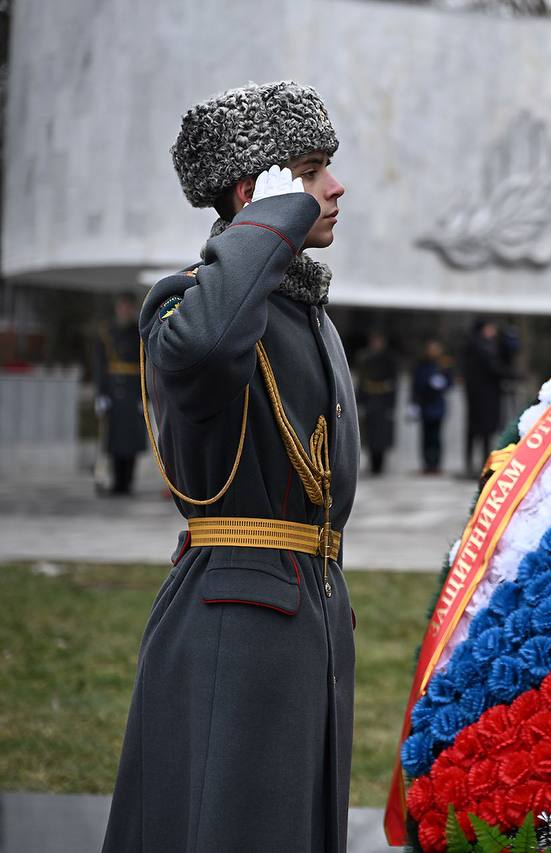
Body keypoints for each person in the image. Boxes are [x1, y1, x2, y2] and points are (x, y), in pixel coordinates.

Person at [103, 81, 358, 853]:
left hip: (304, 610)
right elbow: (207, 349)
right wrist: (265, 226)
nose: (335, 186)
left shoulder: (301, 309)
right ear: (257, 196)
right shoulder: (189, 305)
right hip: (236, 624)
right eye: (310, 172)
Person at [93, 294, 147, 495]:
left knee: (131, 440)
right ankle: (117, 482)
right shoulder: (106, 332)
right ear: (117, 308)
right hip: (113, 391)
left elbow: (146, 364)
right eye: (122, 306)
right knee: (114, 440)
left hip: (133, 391)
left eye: (128, 307)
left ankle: (128, 482)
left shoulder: (139, 332)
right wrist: (101, 393)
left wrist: (145, 395)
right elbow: (100, 365)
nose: (125, 310)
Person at [462, 319, 506, 475]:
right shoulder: (482, 347)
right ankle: (483, 464)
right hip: (484, 396)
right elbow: (494, 368)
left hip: (477, 395)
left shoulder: (474, 345)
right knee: (484, 430)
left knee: (475, 431)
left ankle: (472, 463)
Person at [358, 331, 398, 475]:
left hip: (383, 401)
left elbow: (393, 384)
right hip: (370, 400)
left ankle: (380, 464)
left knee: (381, 436)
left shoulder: (389, 360)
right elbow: (361, 382)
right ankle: (372, 463)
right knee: (369, 435)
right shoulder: (365, 358)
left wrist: (391, 404)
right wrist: (360, 401)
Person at [412, 339, 453, 474]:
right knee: (426, 436)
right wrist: (414, 403)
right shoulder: (422, 365)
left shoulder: (443, 365)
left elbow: (450, 382)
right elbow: (416, 384)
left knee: (436, 436)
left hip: (438, 405)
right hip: (425, 404)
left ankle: (435, 464)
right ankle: (427, 463)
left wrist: (443, 383)